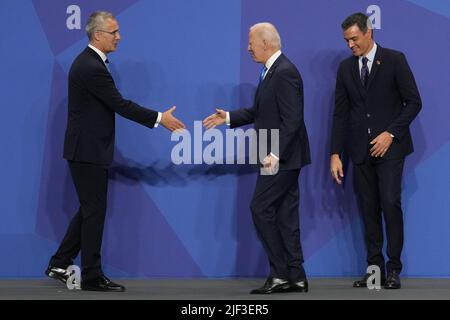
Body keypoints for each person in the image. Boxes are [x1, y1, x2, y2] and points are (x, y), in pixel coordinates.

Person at [45, 11, 185, 292]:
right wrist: (160, 119)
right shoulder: (91, 67)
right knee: (94, 211)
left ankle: (60, 263)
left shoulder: (90, 63)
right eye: (114, 32)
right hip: (87, 151)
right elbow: (119, 104)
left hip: (87, 150)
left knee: (90, 210)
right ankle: (92, 276)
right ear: (98, 35)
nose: (119, 37)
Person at [203, 22, 311, 294]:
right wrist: (227, 117)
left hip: (281, 157)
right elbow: (259, 112)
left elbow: (293, 120)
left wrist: (275, 153)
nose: (248, 48)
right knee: (286, 215)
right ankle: (296, 276)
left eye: (251, 42)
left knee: (260, 208)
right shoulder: (271, 71)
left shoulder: (285, 72)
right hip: (282, 156)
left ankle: (279, 274)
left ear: (267, 43)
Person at [330, 12, 421, 289]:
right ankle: (375, 272)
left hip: (390, 149)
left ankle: (394, 269)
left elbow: (413, 102)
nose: (350, 45)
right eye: (346, 40)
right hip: (359, 151)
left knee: (390, 203)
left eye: (354, 39)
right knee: (368, 210)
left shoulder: (395, 59)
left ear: (369, 32)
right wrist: (335, 153)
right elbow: (340, 114)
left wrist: (390, 133)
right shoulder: (346, 69)